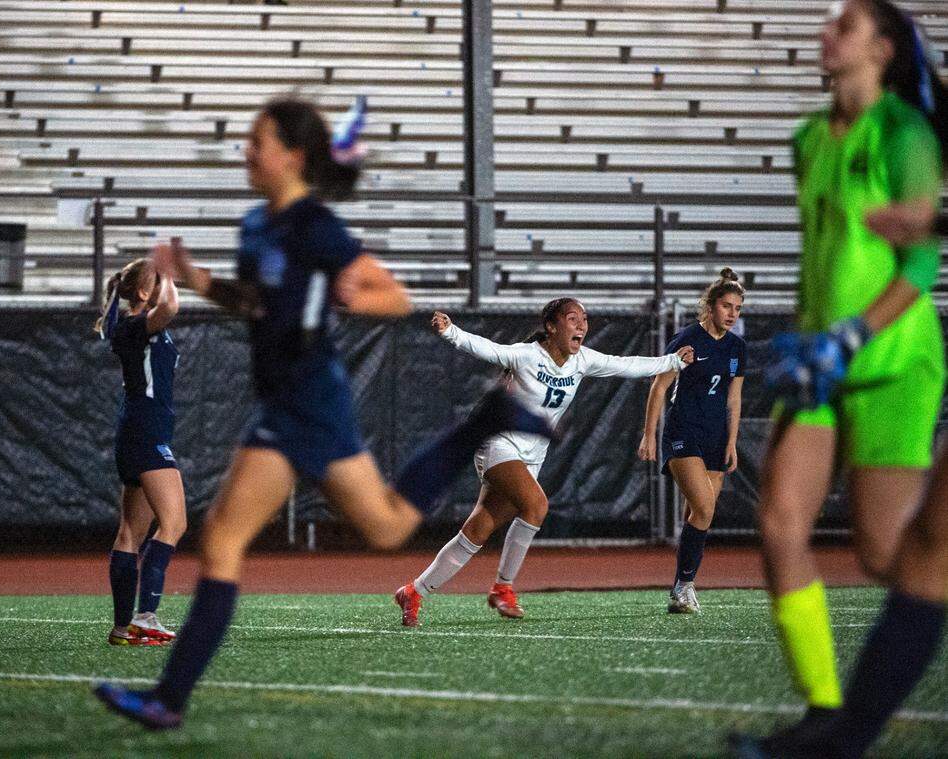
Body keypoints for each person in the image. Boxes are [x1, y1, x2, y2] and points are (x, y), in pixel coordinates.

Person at [93, 96, 553, 729]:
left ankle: (167, 700)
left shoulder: (316, 227)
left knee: (367, 529)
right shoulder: (256, 226)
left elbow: (394, 296)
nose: (247, 151)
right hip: (283, 404)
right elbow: (254, 300)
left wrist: (352, 294)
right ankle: (166, 701)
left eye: (258, 141)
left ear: (293, 156)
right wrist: (200, 282)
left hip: (311, 399)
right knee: (304, 533)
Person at [729, 1, 946, 755]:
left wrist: (852, 333)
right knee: (779, 523)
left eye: (843, 25)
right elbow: (825, 255)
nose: (824, 34)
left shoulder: (907, 133)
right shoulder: (807, 139)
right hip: (821, 364)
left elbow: (920, 262)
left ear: (882, 50)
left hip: (890, 362)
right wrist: (813, 335)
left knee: (887, 558)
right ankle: (826, 715)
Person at [394, 300, 694, 627]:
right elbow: (485, 348)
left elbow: (627, 364)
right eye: (572, 319)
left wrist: (673, 361)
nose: (581, 326)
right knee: (537, 506)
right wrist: (449, 331)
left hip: (532, 456)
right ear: (551, 326)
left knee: (478, 529)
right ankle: (503, 588)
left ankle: (414, 591)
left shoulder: (583, 360)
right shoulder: (526, 355)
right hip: (499, 443)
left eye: (585, 320)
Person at [639, 268, 746, 614]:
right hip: (683, 432)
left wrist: (732, 441)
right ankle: (684, 587)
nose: (732, 314)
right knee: (704, 507)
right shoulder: (687, 340)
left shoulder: (736, 347)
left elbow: (734, 398)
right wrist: (649, 435)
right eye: (726, 306)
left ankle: (681, 586)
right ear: (710, 306)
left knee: (698, 513)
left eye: (737, 308)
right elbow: (659, 386)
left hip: (716, 437)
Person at [95, 258, 188, 646]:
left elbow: (168, 306)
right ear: (144, 293)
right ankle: (145, 616)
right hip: (146, 431)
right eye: (159, 282)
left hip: (136, 429)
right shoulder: (138, 326)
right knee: (175, 523)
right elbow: (171, 307)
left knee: (131, 532)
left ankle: (122, 628)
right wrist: (166, 271)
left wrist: (163, 274)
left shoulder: (134, 327)